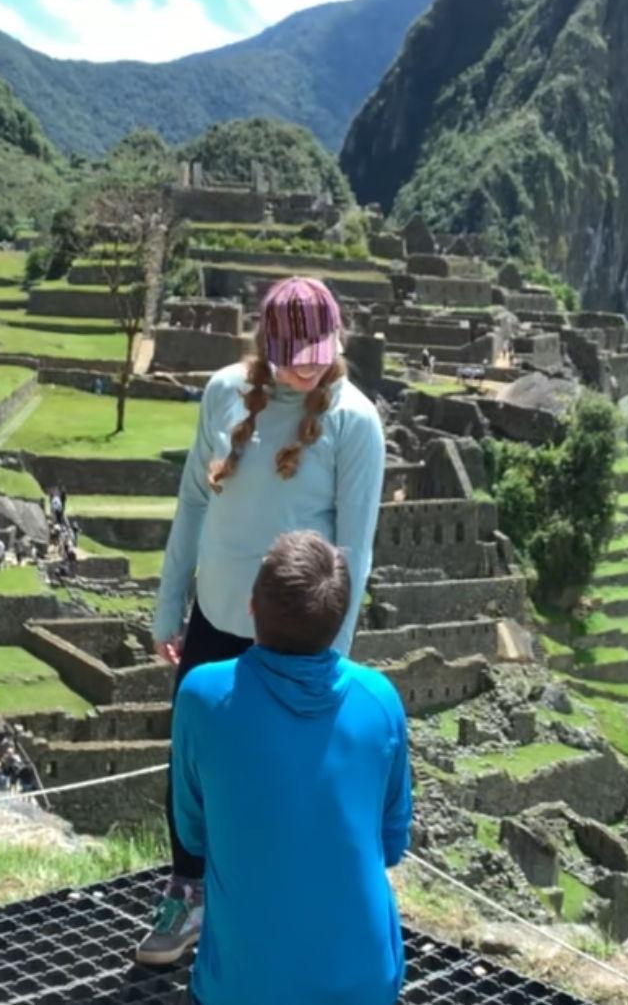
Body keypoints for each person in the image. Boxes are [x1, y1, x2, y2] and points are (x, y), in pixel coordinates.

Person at [136, 276, 386, 966]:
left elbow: (356, 550)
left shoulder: (352, 420)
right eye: (294, 354)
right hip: (215, 616)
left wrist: (333, 656)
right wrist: (168, 605)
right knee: (194, 768)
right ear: (265, 347)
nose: (308, 365)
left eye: (319, 351)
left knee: (287, 780)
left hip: (297, 634)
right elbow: (193, 502)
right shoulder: (222, 393)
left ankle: (278, 916)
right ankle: (187, 894)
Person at [171, 531, 410, 1005]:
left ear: (251, 606)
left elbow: (192, 833)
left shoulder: (203, 695)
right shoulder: (380, 700)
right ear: (340, 618)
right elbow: (392, 842)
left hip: (242, 989)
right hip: (366, 984)